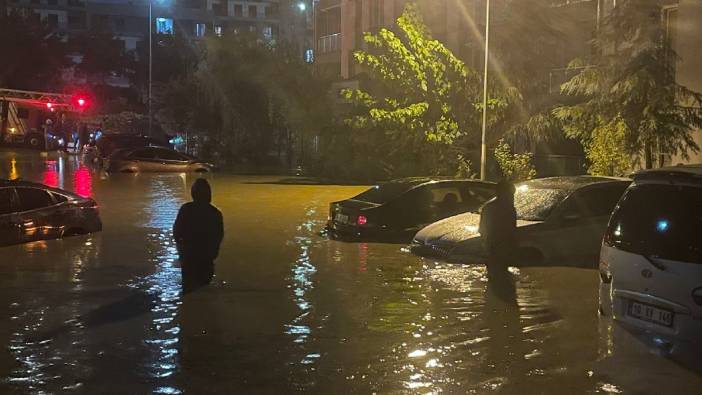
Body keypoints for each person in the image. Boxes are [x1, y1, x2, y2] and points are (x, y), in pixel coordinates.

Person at [173, 179, 224, 293]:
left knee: (188, 290)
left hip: (188, 256)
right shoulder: (215, 213)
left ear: (193, 193)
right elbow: (219, 235)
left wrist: (181, 249)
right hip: (206, 257)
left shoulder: (186, 209)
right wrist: (213, 253)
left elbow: (177, 232)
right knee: (204, 289)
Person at [479, 180, 518, 303]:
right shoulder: (506, 208)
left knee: (496, 280)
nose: (512, 196)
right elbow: (511, 229)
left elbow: (482, 229)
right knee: (501, 280)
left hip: (496, 248)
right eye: (511, 193)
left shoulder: (490, 207)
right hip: (498, 248)